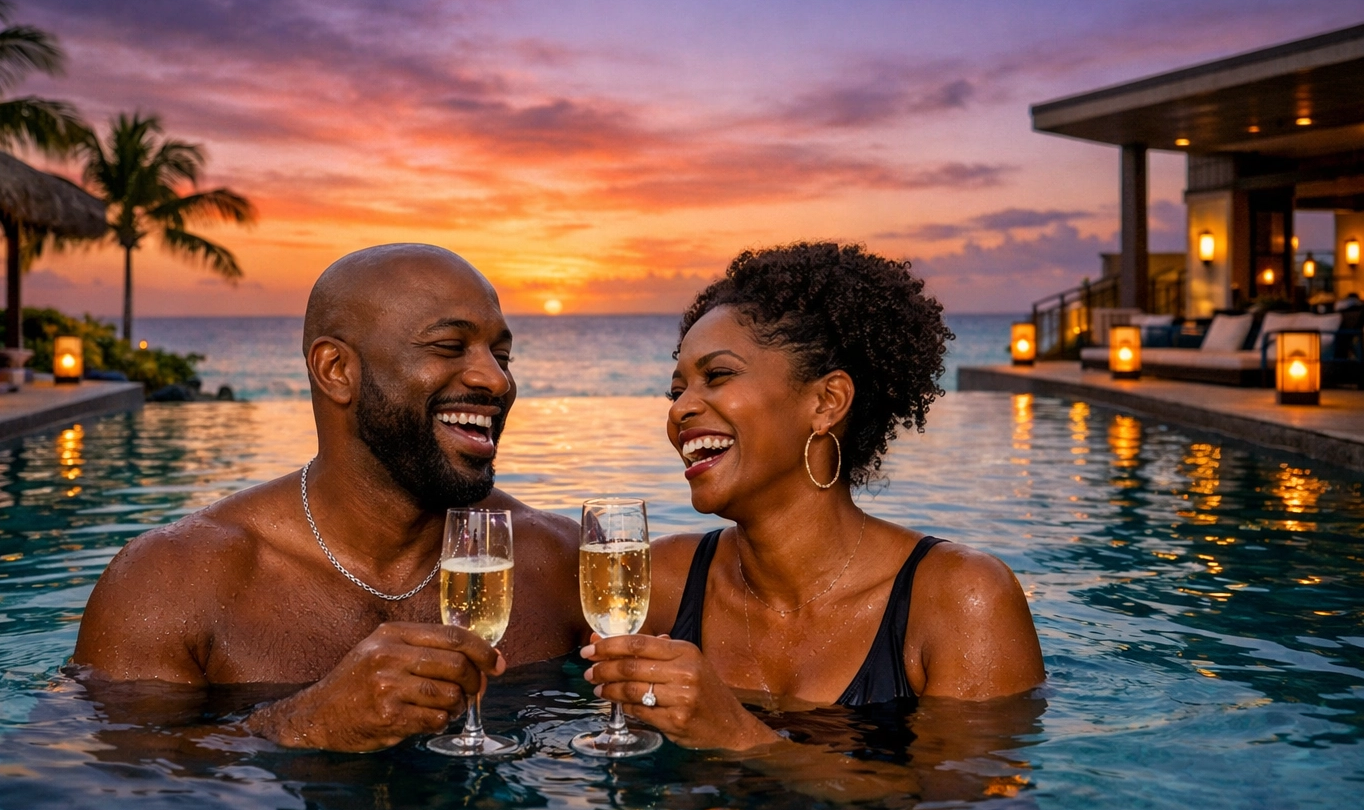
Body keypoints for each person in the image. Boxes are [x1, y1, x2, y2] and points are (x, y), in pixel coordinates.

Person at [73, 244, 585, 751]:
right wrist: (298, 724)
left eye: (502, 355)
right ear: (336, 369)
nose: (496, 380)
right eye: (450, 347)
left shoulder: (558, 562)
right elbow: (79, 780)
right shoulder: (173, 581)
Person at [583, 242, 1045, 750]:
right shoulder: (663, 581)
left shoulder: (961, 598)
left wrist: (738, 736)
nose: (680, 410)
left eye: (717, 376)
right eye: (677, 391)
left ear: (827, 402)